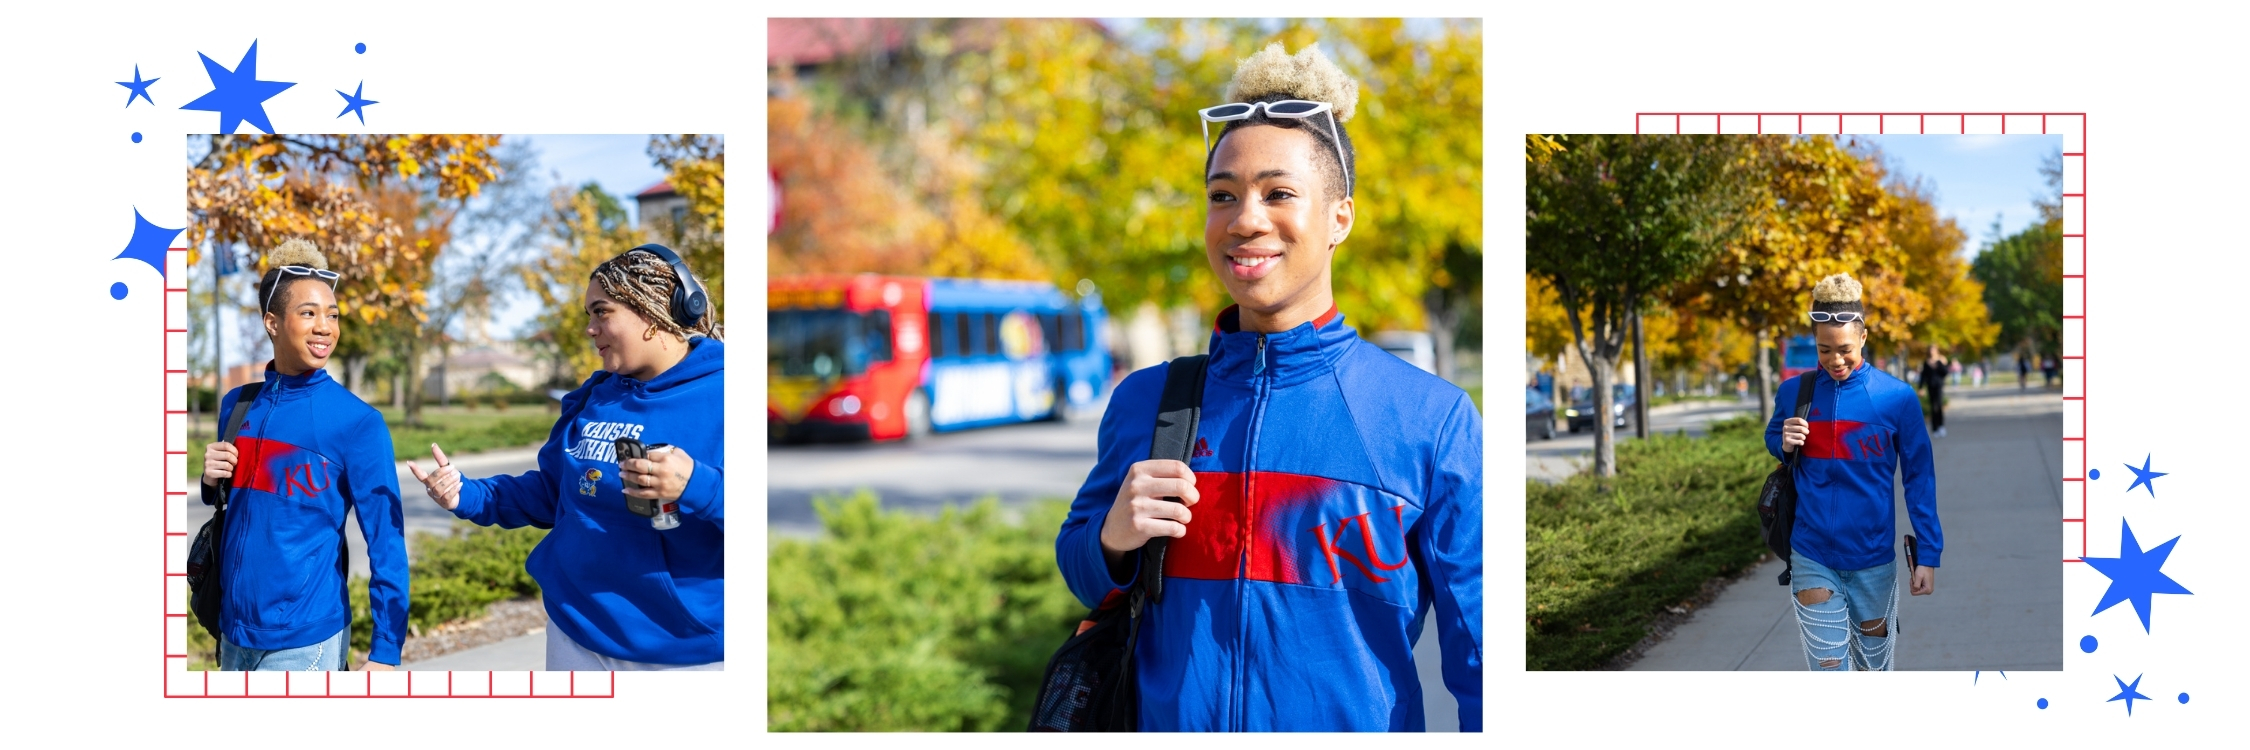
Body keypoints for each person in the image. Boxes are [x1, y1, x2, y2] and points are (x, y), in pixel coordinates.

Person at [1055, 43, 1482, 731]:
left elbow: (1481, 660)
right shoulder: (1147, 401)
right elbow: (1080, 568)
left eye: (1279, 193)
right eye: (1223, 195)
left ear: (1340, 216)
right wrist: (1111, 537)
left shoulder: (1430, 420)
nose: (1246, 218)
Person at [407, 245, 725, 670]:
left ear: (650, 313)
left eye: (602, 312)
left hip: (677, 649)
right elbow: (550, 491)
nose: (590, 329)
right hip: (574, 630)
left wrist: (695, 485)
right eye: (588, 316)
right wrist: (468, 494)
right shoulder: (595, 395)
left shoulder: (725, 394)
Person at [199, 240, 408, 671]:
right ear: (272, 323)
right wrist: (210, 481)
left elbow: (386, 542)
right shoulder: (236, 406)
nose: (325, 327)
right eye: (309, 313)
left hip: (305, 641)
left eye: (332, 315)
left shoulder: (358, 423)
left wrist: (386, 649)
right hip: (233, 633)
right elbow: (238, 505)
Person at [1769, 273, 1944, 671]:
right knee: (1830, 670)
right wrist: (1782, 441)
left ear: (1863, 337)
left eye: (1844, 349)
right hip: (1812, 552)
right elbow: (1772, 437)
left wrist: (1929, 553)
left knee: (1872, 671)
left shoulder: (1896, 398)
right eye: (1823, 349)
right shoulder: (1795, 393)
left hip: (1873, 559)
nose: (1835, 360)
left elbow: (1919, 478)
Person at [1917, 344, 1949, 439]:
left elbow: (1945, 372)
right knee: (1933, 407)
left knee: (1938, 406)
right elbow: (1923, 376)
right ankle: (1935, 428)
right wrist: (1921, 388)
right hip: (1930, 386)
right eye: (1930, 350)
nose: (1932, 352)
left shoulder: (1940, 360)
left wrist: (1939, 365)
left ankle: (1941, 426)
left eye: (1933, 350)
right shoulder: (1926, 362)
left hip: (1939, 386)